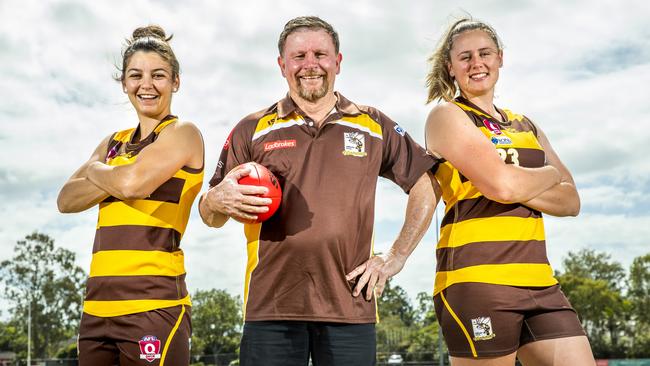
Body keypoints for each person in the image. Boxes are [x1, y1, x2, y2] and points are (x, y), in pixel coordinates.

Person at [199, 16, 438, 366]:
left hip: (350, 304)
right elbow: (210, 215)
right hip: (271, 307)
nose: (310, 65)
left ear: (338, 62)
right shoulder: (251, 129)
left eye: (320, 54)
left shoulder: (372, 125)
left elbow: (426, 182)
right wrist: (215, 200)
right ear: (282, 65)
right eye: (298, 56)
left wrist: (394, 257)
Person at [423, 18, 595, 365]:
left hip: (540, 282)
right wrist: (546, 175)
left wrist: (511, 181)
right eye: (465, 57)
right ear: (451, 67)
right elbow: (502, 185)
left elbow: (571, 200)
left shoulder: (525, 125)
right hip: (477, 280)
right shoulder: (448, 115)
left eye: (485, 53)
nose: (476, 63)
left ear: (500, 58)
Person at [57, 25, 203, 366]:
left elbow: (131, 185)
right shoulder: (113, 142)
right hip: (96, 309)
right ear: (124, 83)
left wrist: (95, 169)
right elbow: (66, 199)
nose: (146, 85)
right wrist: (117, 172)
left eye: (159, 75)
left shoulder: (183, 133)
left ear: (176, 82)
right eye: (135, 75)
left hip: (153, 307)